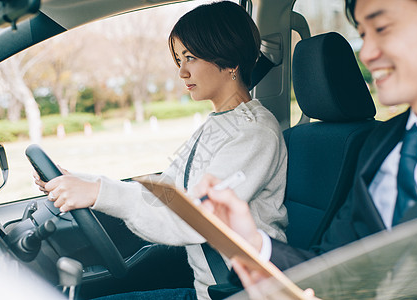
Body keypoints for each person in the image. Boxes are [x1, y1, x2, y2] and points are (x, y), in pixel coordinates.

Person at [34, 2, 289, 299]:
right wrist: (83, 181)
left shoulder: (254, 134)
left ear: (230, 60)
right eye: (178, 59)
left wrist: (98, 193)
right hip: (210, 290)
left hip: (239, 293)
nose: (182, 72)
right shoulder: (218, 125)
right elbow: (166, 191)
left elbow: (194, 220)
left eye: (190, 57)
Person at [196, 0, 417, 293]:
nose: (366, 54)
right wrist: (252, 243)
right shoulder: (383, 144)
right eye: (364, 34)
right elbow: (339, 273)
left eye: (382, 28)